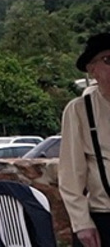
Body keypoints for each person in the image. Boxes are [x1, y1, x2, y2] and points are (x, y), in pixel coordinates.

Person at [60, 32, 110, 246]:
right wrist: (82, 223)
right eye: (108, 60)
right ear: (92, 69)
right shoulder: (80, 110)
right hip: (103, 217)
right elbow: (70, 174)